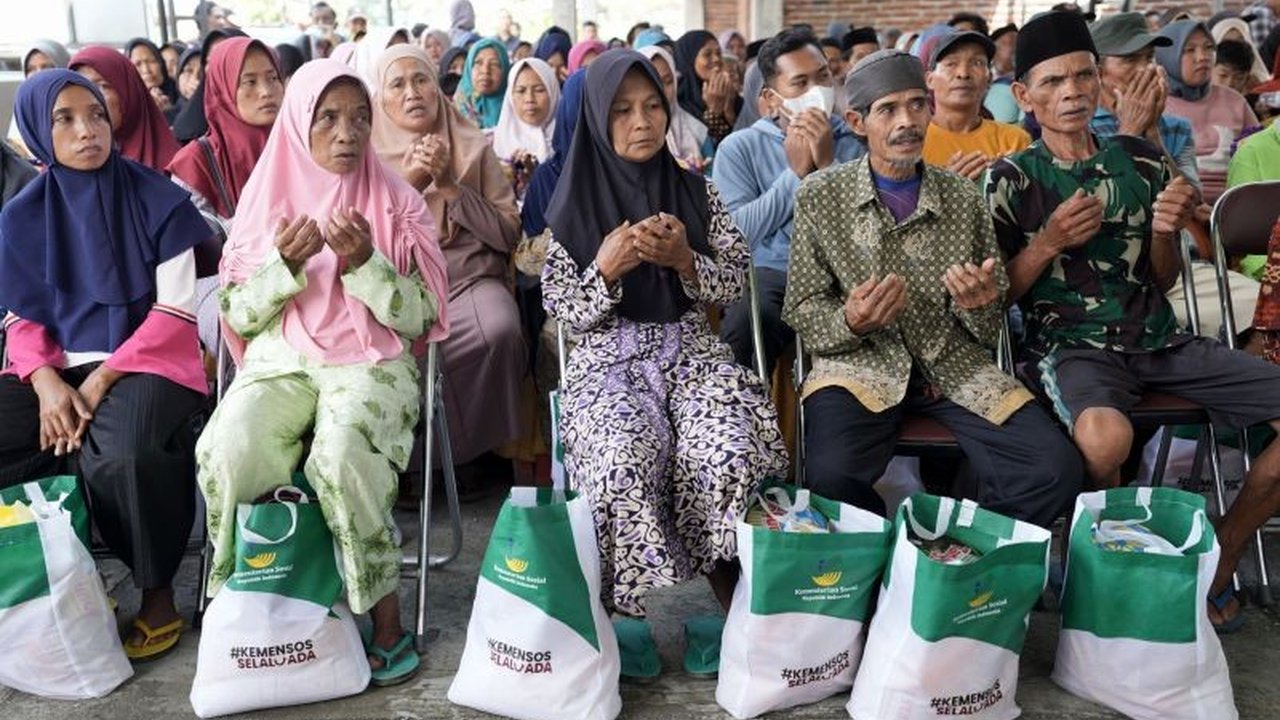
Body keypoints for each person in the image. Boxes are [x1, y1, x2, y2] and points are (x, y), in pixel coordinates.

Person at [987, 9, 1280, 632]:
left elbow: (1163, 278)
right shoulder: (1010, 179)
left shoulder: (1143, 163)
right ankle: (1108, 571)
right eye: (1052, 82)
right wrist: (1046, 244)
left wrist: (1164, 230)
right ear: (1023, 96)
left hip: (1157, 336)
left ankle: (1218, 560)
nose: (1071, 91)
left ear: (1099, 82)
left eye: (1082, 76)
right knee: (1103, 440)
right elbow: (997, 301)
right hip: (1072, 348)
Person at [196, 58, 450, 685]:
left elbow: (421, 318)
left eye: (360, 118)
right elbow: (239, 316)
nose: (348, 133)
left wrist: (366, 262)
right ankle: (244, 600)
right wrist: (282, 265)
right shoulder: (266, 202)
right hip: (283, 356)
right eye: (329, 118)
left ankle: (384, 616)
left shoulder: (398, 204)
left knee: (339, 455)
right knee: (228, 445)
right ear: (298, 123)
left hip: (373, 359)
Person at [541, 49, 789, 678]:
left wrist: (685, 260)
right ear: (598, 120)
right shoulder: (572, 206)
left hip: (691, 353)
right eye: (622, 111)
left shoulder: (695, 193)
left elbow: (734, 284)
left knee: (726, 448)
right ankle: (626, 616)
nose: (642, 122)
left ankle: (732, 609)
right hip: (607, 360)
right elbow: (564, 313)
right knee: (621, 456)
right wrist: (605, 269)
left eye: (652, 106)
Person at [781, 49, 1080, 525]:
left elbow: (988, 317)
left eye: (918, 104)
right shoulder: (821, 195)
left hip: (953, 364)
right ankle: (883, 561)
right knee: (831, 474)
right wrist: (850, 320)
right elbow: (802, 305)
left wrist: (981, 304)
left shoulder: (963, 195)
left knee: (1054, 467)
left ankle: (963, 552)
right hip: (857, 368)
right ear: (857, 122)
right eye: (889, 109)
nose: (908, 121)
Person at [0, 70, 212, 661]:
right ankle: (59, 580)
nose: (86, 131)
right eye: (64, 119)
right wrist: (45, 383)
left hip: (151, 361)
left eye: (94, 114)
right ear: (38, 133)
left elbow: (175, 311)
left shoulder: (157, 198)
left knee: (126, 450)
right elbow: (20, 316)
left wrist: (98, 379)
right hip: (55, 369)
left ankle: (156, 592)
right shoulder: (22, 215)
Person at [371, 45, 524, 490]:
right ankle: (414, 467)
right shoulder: (366, 157)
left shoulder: (473, 145)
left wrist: (450, 187)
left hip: (469, 277)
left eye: (421, 80)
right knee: (389, 347)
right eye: (396, 84)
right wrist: (414, 184)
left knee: (498, 330)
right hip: (399, 280)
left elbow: (507, 234)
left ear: (438, 89)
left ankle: (472, 456)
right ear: (380, 98)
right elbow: (368, 237)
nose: (412, 93)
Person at [714, 29, 863, 376]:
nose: (817, 92)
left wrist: (827, 166)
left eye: (823, 77)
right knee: (748, 318)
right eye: (800, 83)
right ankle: (740, 417)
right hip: (773, 275)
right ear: (771, 97)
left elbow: (864, 227)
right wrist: (795, 177)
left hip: (844, 274)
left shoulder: (855, 141)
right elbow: (735, 235)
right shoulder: (740, 148)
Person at [1157, 20, 1260, 205]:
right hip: (1174, 209)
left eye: (1209, 48)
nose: (1202, 57)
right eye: (1189, 50)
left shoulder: (1234, 100)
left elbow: (1260, 151)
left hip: (1237, 204)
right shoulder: (1154, 103)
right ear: (1168, 55)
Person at [922, 31, 1031, 181]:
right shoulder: (914, 143)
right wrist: (946, 190)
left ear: (989, 78)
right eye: (951, 64)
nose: (963, 73)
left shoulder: (1014, 141)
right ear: (930, 80)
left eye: (977, 63)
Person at [70, 46, 180, 172]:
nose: (91, 98)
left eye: (103, 86)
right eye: (82, 88)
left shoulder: (174, 169)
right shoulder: (62, 172)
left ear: (128, 91)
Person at [637, 45, 714, 173]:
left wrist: (696, 178)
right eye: (652, 82)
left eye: (668, 81)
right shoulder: (633, 134)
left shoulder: (697, 130)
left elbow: (714, 180)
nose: (661, 91)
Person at [493, 58, 561, 198]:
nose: (529, 98)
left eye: (539, 90)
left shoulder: (568, 139)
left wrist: (538, 178)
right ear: (511, 96)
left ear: (552, 92)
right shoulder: (493, 142)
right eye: (521, 91)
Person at [172, 28, 249, 144]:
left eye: (225, 58)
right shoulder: (191, 128)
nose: (216, 66)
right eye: (210, 61)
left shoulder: (269, 112)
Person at [675, 30, 742, 145]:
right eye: (707, 54)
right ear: (689, 60)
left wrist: (729, 111)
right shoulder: (680, 103)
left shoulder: (731, 95)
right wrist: (713, 114)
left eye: (718, 53)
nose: (716, 59)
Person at [455, 38, 510, 130]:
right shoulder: (456, 109)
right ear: (469, 68)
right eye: (478, 63)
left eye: (494, 64)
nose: (485, 71)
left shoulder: (516, 107)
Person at [126, 38, 181, 118]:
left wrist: (170, 111)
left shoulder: (181, 90)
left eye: (152, 61)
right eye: (138, 64)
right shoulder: (126, 102)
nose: (146, 70)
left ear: (161, 63)